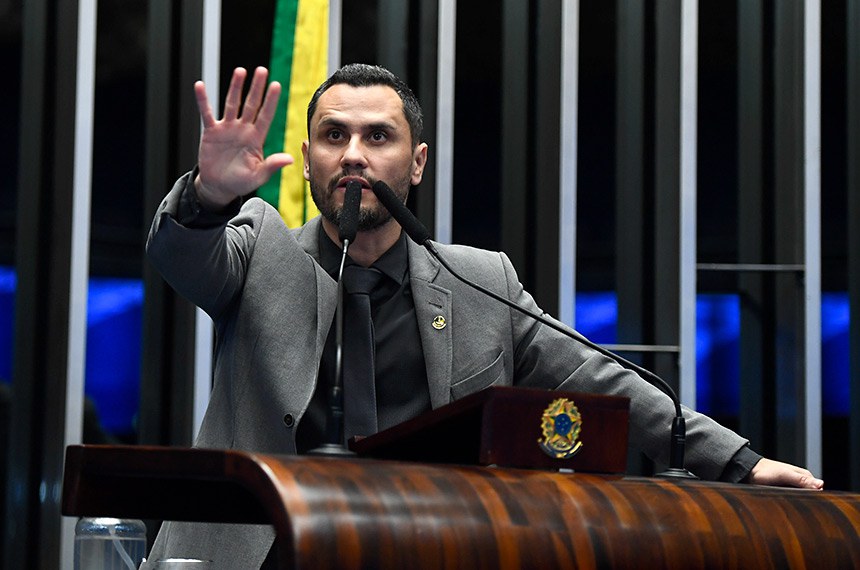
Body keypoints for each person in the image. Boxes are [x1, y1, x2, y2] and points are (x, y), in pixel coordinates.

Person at [143, 63, 823, 568]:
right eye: (333, 136)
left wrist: (738, 464)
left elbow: (599, 376)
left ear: (415, 164)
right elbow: (182, 255)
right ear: (311, 160)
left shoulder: (478, 280)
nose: (353, 154)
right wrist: (209, 196)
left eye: (377, 136)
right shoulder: (256, 248)